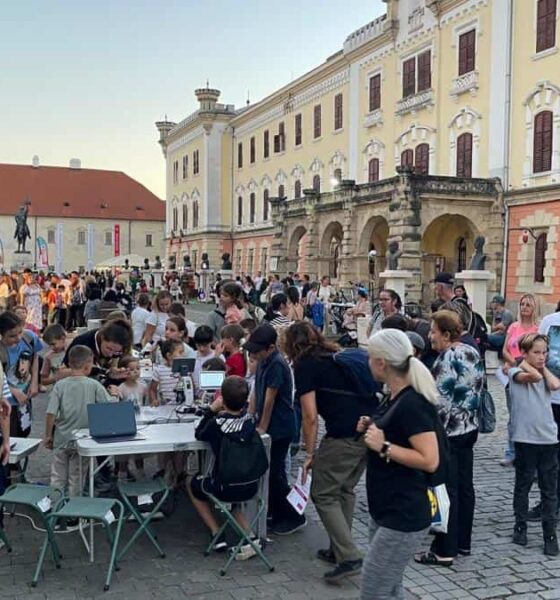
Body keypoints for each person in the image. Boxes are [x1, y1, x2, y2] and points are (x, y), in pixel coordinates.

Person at [283, 321, 374, 583]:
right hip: (366, 432)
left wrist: (310, 453)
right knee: (344, 490)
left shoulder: (305, 365)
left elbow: (310, 416)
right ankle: (339, 548)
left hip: (342, 436)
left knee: (322, 493)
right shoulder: (334, 356)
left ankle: (349, 556)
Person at [358, 329, 440, 599]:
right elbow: (395, 431)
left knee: (373, 589)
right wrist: (371, 426)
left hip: (403, 512)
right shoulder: (393, 396)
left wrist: (384, 446)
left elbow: (429, 460)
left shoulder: (412, 403)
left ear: (382, 362)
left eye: (370, 357)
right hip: (384, 507)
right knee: (389, 588)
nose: (367, 362)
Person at [415, 310, 484, 567]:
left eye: (433, 331)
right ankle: (463, 542)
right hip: (468, 428)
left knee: (443, 491)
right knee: (465, 488)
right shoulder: (472, 351)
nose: (430, 336)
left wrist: (430, 436)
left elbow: (439, 403)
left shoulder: (447, 357)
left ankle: (445, 548)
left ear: (446, 333)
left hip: (449, 433)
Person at [188, 375, 260, 552]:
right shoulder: (251, 422)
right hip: (251, 485)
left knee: (190, 481)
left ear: (223, 401)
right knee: (232, 493)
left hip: (224, 487)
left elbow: (199, 434)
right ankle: (250, 537)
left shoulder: (217, 423)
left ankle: (216, 531)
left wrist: (211, 410)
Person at [246, 323, 306, 535]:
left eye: (256, 350)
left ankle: (293, 516)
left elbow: (270, 399)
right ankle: (275, 512)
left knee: (276, 474)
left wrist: (262, 427)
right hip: (270, 424)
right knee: (270, 472)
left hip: (280, 427)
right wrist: (248, 416)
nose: (252, 354)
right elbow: (256, 391)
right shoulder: (263, 361)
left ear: (270, 348)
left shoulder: (277, 364)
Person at [508, 333, 560, 555]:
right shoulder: (515, 372)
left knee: (549, 489)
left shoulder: (544, 373)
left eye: (544, 352)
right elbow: (533, 379)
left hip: (548, 438)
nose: (542, 357)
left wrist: (543, 366)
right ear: (525, 353)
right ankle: (520, 525)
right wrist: (525, 363)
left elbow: (554, 384)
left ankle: (549, 532)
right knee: (523, 484)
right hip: (525, 438)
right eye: (537, 352)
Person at [43, 345, 109, 498]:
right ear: (88, 365)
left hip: (61, 438)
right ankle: (74, 512)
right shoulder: (94, 385)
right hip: (83, 439)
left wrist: (48, 435)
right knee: (77, 476)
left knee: (58, 475)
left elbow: (51, 413)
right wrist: (114, 394)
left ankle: (55, 507)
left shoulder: (60, 385)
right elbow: (107, 406)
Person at [0, 311, 42, 439]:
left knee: (24, 432)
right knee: (9, 438)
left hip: (24, 396)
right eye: (12, 336)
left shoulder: (29, 338)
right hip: (6, 400)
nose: (18, 338)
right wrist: (13, 391)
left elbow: (35, 357)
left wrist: (35, 381)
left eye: (20, 332)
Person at [117, 355, 148, 481]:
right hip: (125, 423)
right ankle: (122, 475)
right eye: (132, 369)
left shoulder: (142, 386)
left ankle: (141, 474)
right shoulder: (121, 388)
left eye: (138, 368)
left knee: (139, 451)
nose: (136, 372)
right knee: (123, 453)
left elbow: (144, 403)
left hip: (140, 421)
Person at [502, 294, 539, 367]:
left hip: (530, 368)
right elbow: (504, 350)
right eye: (522, 304)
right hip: (511, 366)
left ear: (534, 308)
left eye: (528, 305)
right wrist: (512, 363)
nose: (524, 307)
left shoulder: (537, 330)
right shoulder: (513, 326)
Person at [150, 340, 183, 406]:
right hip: (165, 406)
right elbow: (152, 389)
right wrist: (154, 400)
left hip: (182, 405)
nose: (183, 355)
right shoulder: (158, 370)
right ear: (169, 355)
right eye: (180, 353)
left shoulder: (183, 369)